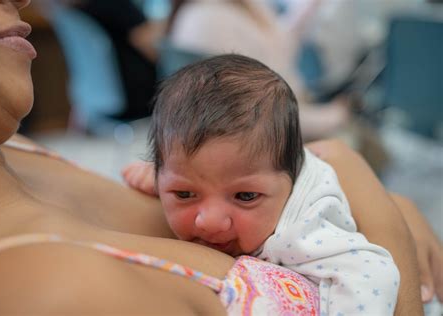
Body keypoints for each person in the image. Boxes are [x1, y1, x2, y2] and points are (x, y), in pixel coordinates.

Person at [0, 0, 439, 315]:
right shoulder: (32, 286)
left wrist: (373, 201)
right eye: (184, 193)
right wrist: (373, 200)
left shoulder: (11, 147)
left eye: (245, 196)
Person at [123, 54, 400, 315]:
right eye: (185, 193)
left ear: (291, 181)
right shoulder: (242, 173)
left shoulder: (300, 232)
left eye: (244, 196)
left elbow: (374, 271)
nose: (210, 221)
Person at [165, 0, 350, 141]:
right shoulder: (206, 19)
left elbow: (279, 49)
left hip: (286, 120)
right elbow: (255, 115)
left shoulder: (245, 6)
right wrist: (334, 116)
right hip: (262, 140)